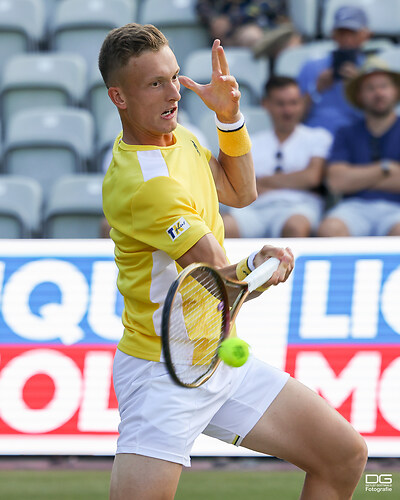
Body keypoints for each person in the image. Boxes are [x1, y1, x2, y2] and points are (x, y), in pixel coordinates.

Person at [99, 23, 367, 500]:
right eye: (154, 84)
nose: (173, 93)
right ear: (119, 97)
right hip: (163, 371)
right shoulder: (144, 186)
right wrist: (260, 264)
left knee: (343, 456)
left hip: (215, 357)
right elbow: (216, 277)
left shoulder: (180, 137)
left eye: (174, 77)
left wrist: (229, 118)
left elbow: (241, 193)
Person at [223, 76, 332, 238]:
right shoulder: (251, 141)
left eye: (294, 103)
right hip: (255, 210)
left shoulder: (318, 137)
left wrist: (263, 181)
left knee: (295, 227)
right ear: (265, 104)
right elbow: (239, 187)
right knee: (224, 226)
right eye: (281, 104)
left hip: (299, 207)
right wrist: (296, 181)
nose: (288, 110)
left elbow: (312, 177)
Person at [318, 58, 400, 237]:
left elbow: (345, 179)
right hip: (354, 208)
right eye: (370, 88)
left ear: (396, 91)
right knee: (329, 229)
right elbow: (336, 181)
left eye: (384, 86)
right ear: (360, 96)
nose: (378, 93)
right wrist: (386, 168)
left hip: (396, 209)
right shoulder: (346, 132)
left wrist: (357, 178)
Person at [298, 5, 370, 135]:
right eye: (342, 33)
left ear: (365, 35)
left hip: (356, 139)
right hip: (313, 138)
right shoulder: (311, 67)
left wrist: (359, 88)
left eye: (352, 33)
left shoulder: (372, 71)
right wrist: (316, 89)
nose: (347, 40)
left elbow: (381, 120)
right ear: (333, 35)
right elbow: (292, 116)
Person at [196, 0, 301, 58]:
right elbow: (202, 6)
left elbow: (269, 6)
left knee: (293, 42)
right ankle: (267, 44)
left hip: (268, 27)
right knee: (252, 35)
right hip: (237, 31)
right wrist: (214, 20)